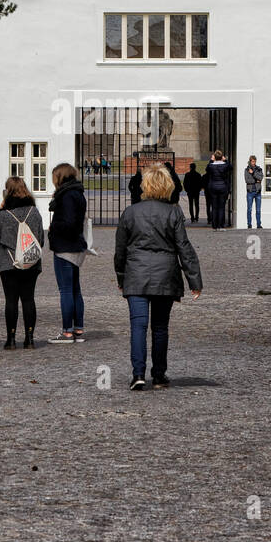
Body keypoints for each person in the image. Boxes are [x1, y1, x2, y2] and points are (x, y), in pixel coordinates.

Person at [115, 165, 203, 390]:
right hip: (165, 276)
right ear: (167, 186)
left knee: (138, 326)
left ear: (145, 186)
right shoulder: (173, 212)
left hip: (136, 276)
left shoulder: (130, 212)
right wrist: (194, 281)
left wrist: (121, 278)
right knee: (160, 327)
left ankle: (138, 374)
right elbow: (184, 248)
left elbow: (120, 251)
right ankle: (159, 374)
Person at [0, 176, 44, 349]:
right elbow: (41, 240)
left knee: (11, 301)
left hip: (9, 262)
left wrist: (0, 212)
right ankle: (30, 339)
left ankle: (11, 339)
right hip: (31, 262)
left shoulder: (5, 214)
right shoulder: (34, 212)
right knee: (28, 300)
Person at [48, 163, 88, 343]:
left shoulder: (67, 196)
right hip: (75, 246)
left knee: (66, 290)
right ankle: (78, 329)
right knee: (75, 290)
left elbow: (70, 223)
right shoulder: (77, 193)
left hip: (66, 247)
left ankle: (67, 331)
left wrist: (53, 228)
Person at [204, 150, 232, 231]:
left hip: (213, 187)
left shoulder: (211, 166)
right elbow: (231, 167)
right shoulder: (225, 165)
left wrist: (211, 160)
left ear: (215, 157)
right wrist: (225, 160)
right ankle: (221, 226)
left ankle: (214, 226)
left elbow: (206, 169)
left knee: (214, 206)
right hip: (223, 187)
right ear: (221, 157)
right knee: (221, 207)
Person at [244, 155, 264, 229]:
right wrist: (256, 180)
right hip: (250, 191)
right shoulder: (246, 170)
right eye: (252, 161)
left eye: (254, 161)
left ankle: (258, 224)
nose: (253, 163)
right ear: (250, 161)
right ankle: (249, 224)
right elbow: (247, 180)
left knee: (258, 210)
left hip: (258, 191)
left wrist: (253, 174)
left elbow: (261, 178)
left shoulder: (259, 169)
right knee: (249, 209)